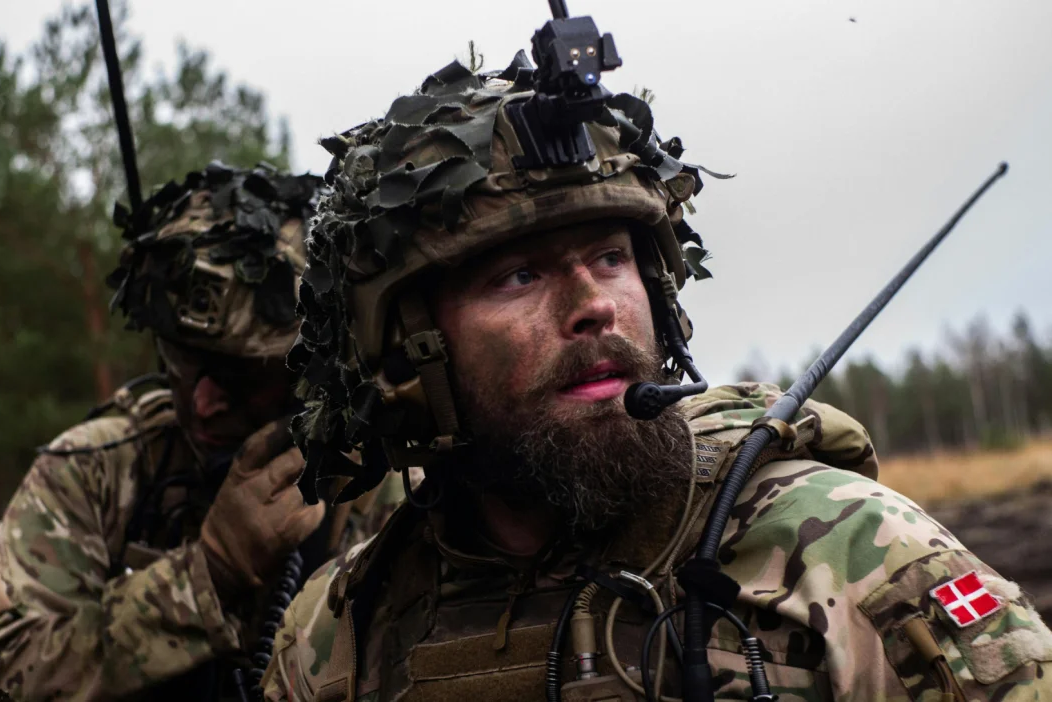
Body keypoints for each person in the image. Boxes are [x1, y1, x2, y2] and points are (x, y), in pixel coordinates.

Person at [262, 58, 1052, 702]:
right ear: (406, 347)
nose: (594, 307)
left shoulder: (852, 557)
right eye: (519, 275)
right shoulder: (338, 632)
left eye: (610, 257)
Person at [0, 163, 408, 701]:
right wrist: (206, 574)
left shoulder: (380, 479)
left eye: (238, 378)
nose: (203, 403)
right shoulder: (96, 472)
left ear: (315, 371)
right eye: (183, 365)